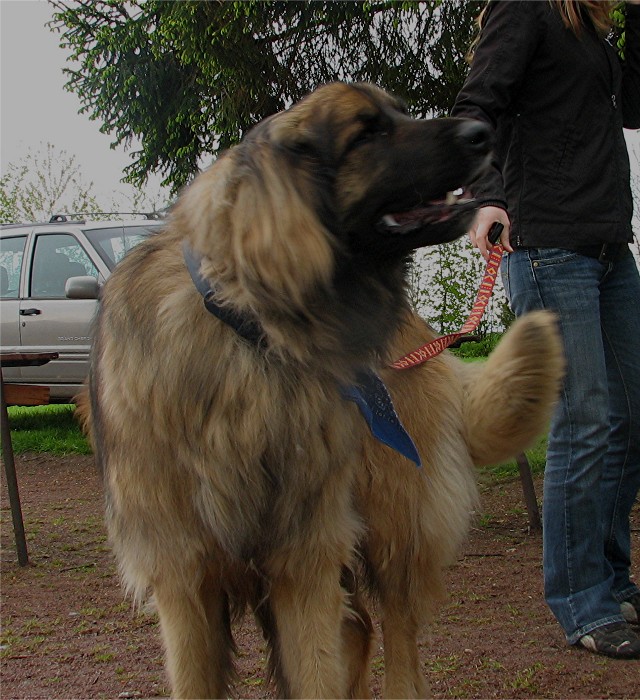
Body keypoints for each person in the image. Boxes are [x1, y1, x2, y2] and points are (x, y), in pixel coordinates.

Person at [452, 0, 640, 659]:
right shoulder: (526, 7)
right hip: (549, 245)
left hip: (609, 245)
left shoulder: (594, 27)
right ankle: (580, 601)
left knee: (630, 418)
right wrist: (486, 194)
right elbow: (476, 109)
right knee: (585, 420)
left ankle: (613, 580)